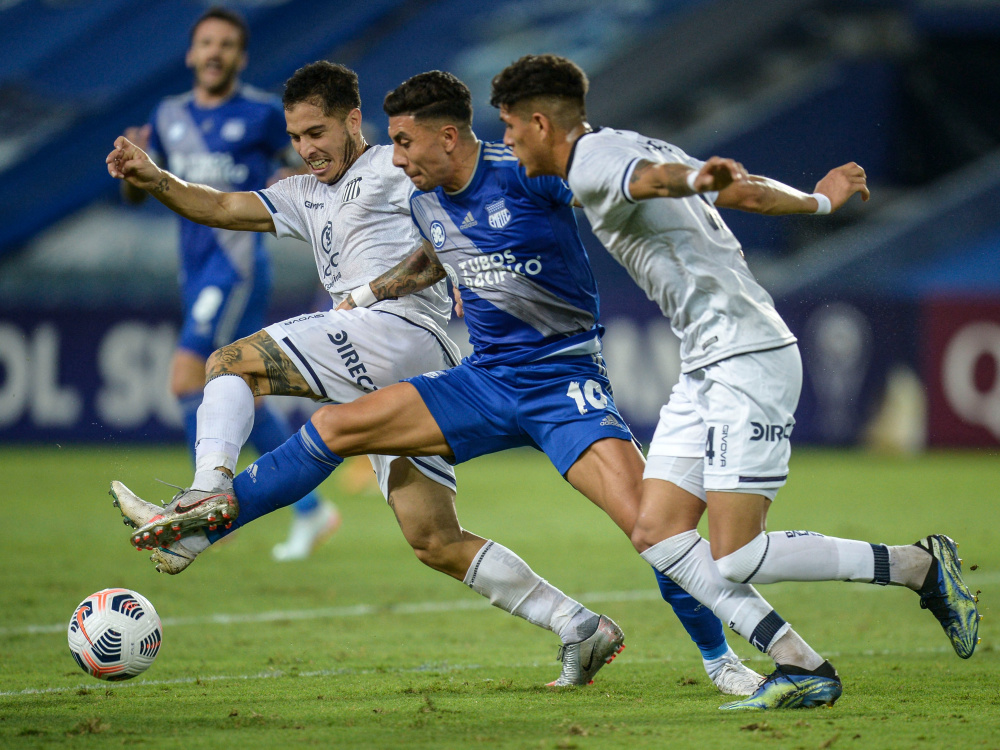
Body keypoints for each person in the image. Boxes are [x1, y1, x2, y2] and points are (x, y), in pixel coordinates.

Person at [109, 68, 764, 695]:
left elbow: (492, 187)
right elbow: (221, 204)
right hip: (426, 362)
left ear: (353, 122)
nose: (308, 148)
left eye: (319, 132)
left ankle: (205, 498)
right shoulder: (301, 194)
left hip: (398, 336)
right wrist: (158, 177)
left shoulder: (398, 167)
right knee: (434, 539)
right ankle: (579, 626)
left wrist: (381, 290)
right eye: (298, 136)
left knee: (230, 364)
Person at [486, 53, 982, 709]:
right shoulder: (625, 146)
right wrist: (819, 199)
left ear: (540, 121)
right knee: (657, 532)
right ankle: (800, 665)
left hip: (746, 356)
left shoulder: (595, 160)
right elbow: (737, 190)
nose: (507, 142)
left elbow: (662, 179)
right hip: (706, 363)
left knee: (735, 555)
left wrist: (690, 175)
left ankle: (918, 566)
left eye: (510, 128)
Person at [119, 6, 337, 561]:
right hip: (193, 268)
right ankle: (306, 508)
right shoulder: (168, 115)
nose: (214, 52)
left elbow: (306, 166)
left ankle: (213, 496)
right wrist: (129, 175)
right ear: (192, 54)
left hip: (236, 266)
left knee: (185, 377)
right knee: (237, 388)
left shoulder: (264, 114)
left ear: (240, 57)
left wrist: (295, 182)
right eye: (206, 43)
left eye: (226, 45)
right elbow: (146, 188)